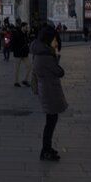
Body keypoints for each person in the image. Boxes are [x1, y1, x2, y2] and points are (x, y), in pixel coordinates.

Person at [31, 27, 68, 161]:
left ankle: (47, 148)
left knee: (51, 121)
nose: (56, 43)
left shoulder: (41, 54)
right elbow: (59, 72)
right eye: (54, 40)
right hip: (49, 91)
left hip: (47, 89)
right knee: (50, 122)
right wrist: (55, 58)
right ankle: (45, 150)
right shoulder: (46, 57)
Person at [13, 22, 31, 87]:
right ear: (22, 27)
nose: (27, 28)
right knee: (17, 68)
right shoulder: (16, 33)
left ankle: (25, 80)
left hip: (24, 54)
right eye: (26, 27)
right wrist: (16, 50)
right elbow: (13, 43)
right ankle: (16, 81)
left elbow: (27, 42)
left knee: (29, 66)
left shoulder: (26, 34)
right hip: (18, 54)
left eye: (27, 27)